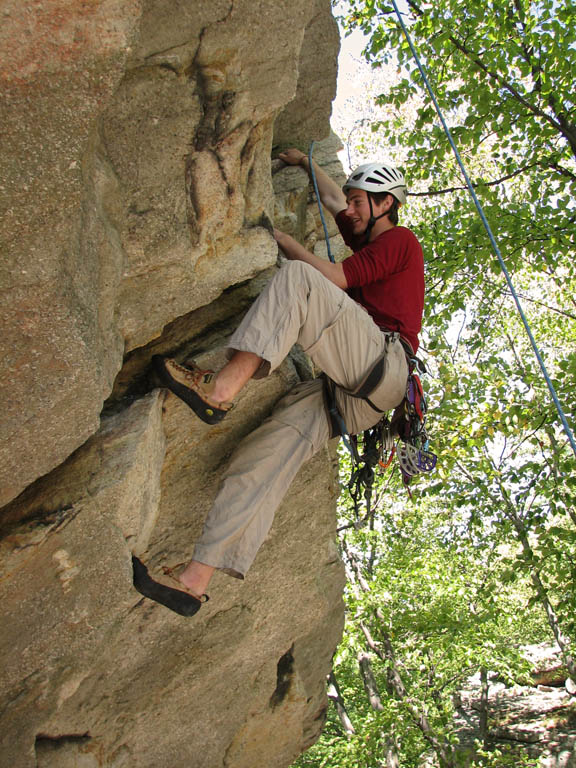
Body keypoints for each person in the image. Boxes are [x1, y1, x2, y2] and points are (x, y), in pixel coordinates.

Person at [132, 148, 425, 616]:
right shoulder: (368, 235)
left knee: (299, 280)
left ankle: (219, 391)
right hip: (351, 398)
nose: (349, 209)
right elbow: (332, 202)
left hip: (382, 363)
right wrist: (306, 165)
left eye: (360, 201)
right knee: (259, 462)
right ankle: (195, 578)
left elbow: (329, 277)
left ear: (386, 203)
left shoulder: (400, 241)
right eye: (351, 199)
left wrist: (281, 239)